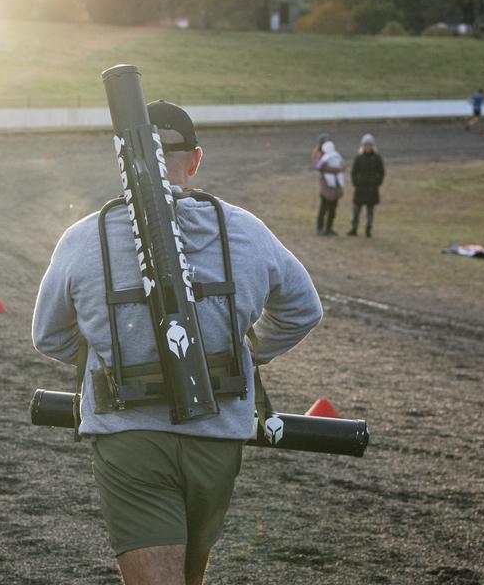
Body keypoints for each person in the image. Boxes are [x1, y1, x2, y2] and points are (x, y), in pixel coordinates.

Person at [32, 101, 322, 585]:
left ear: (122, 159)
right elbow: (303, 310)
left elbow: (48, 335)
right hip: (220, 432)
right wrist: (250, 355)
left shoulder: (85, 237)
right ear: (195, 159)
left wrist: (106, 357)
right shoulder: (246, 231)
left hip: (130, 435)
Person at [348, 133, 385, 237]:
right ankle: (354, 229)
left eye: (369, 145)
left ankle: (368, 230)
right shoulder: (359, 158)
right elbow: (353, 172)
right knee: (356, 210)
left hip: (372, 189)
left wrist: (377, 183)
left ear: (372, 146)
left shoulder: (377, 158)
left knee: (370, 211)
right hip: (360, 188)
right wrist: (355, 183)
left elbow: (381, 173)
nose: (367, 147)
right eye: (366, 145)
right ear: (363, 146)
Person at [315, 140, 345, 236]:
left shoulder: (333, 157)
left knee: (332, 210)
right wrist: (337, 169)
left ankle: (329, 228)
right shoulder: (324, 158)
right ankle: (320, 228)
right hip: (326, 189)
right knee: (324, 209)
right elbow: (320, 167)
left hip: (334, 189)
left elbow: (342, 166)